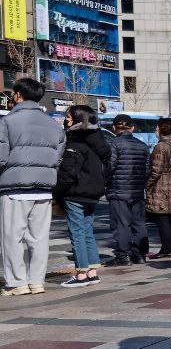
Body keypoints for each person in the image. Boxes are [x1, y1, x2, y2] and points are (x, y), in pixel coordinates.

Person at [0, 77, 64, 297]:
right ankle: (36, 282)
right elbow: (57, 157)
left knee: (12, 238)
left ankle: (17, 283)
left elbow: (0, 157)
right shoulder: (53, 124)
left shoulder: (7, 122)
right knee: (39, 238)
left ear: (18, 95)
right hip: (44, 188)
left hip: (14, 187)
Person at [54, 105, 112, 288]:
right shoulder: (97, 141)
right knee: (87, 233)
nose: (66, 121)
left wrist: (57, 192)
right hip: (93, 193)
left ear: (79, 120)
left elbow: (67, 173)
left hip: (76, 193)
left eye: (69, 118)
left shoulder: (75, 143)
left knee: (77, 233)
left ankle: (81, 274)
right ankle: (92, 272)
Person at [103, 114, 150, 266]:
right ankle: (140, 254)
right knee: (139, 224)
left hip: (118, 189)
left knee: (121, 224)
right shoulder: (142, 146)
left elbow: (110, 166)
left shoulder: (113, 143)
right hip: (137, 190)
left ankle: (123, 255)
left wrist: (106, 181)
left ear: (114, 128)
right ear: (132, 128)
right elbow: (148, 169)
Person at [145, 117, 171, 259]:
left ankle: (167, 248)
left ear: (163, 129)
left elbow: (156, 171)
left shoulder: (161, 147)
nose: (155, 130)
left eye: (157, 128)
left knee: (162, 217)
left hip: (162, 184)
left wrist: (148, 184)